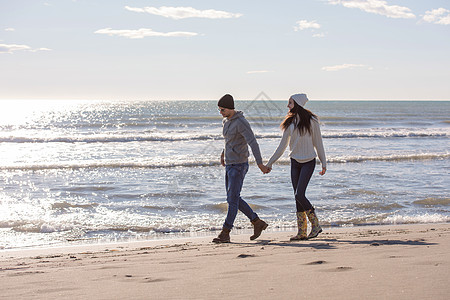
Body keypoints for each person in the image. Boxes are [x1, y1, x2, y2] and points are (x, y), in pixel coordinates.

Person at [265, 93, 326, 241]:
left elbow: (318, 143)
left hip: (309, 162)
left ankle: (315, 225)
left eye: (290, 103)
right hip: (294, 162)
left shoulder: (312, 121)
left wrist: (324, 163)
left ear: (297, 104)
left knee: (300, 194)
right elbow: (282, 147)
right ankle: (302, 232)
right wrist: (269, 163)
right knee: (297, 197)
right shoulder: (290, 123)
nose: (288, 106)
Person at [213, 94, 270, 243]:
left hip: (239, 165)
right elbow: (228, 141)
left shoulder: (241, 122)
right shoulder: (226, 121)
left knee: (232, 200)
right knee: (233, 198)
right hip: (230, 164)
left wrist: (260, 164)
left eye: (222, 109)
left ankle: (225, 232)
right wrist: (223, 154)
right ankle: (257, 222)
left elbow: (253, 142)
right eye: (219, 109)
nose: (221, 112)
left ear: (230, 108)